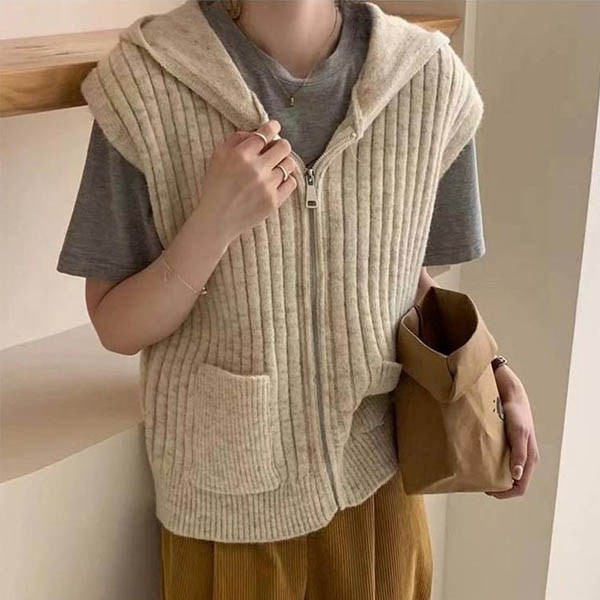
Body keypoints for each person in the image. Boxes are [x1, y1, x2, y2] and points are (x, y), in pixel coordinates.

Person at [57, 1, 539, 597]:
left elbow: (397, 277)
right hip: (229, 511)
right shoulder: (143, 83)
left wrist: (493, 371)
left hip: (380, 492)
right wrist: (213, 224)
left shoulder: (428, 81)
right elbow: (115, 325)